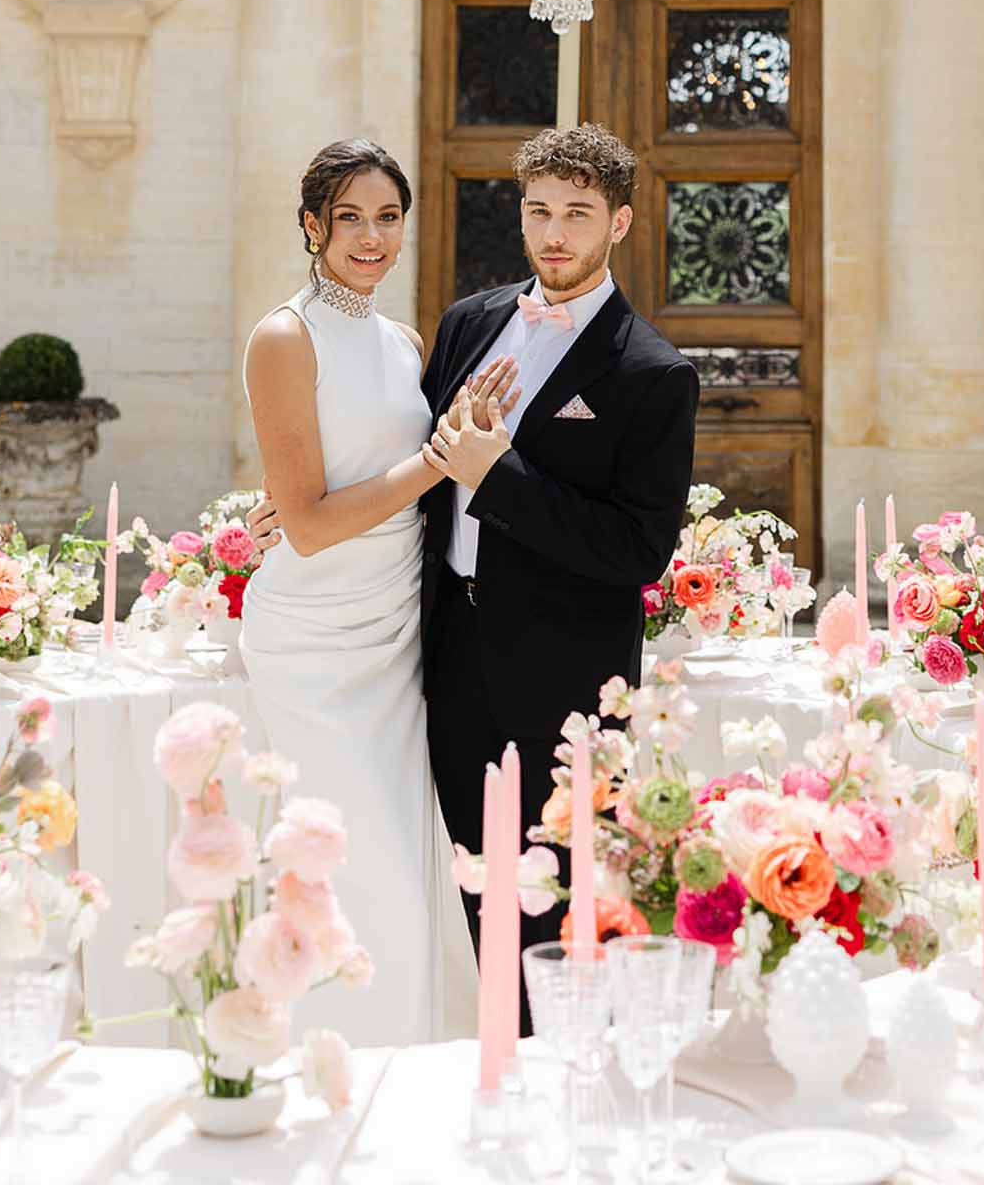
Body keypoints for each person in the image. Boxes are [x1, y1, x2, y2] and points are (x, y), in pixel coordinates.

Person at [239, 137, 512, 1045]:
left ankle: (408, 1064)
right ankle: (332, 1067)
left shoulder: (403, 341)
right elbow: (310, 523)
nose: (370, 236)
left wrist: (463, 441)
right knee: (347, 865)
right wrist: (436, 462)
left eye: (387, 217)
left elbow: (377, 474)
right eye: (348, 217)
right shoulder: (284, 336)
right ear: (312, 226)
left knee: (403, 860)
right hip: (315, 640)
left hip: (394, 632)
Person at [418, 123, 699, 979]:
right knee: (474, 878)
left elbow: (637, 549)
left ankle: (568, 1063)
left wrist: (494, 476)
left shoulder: (653, 372)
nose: (553, 233)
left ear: (617, 223)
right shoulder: (467, 323)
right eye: (538, 210)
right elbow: (414, 467)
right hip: (450, 651)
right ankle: (506, 1058)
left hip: (568, 673)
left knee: (567, 889)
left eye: (577, 213)